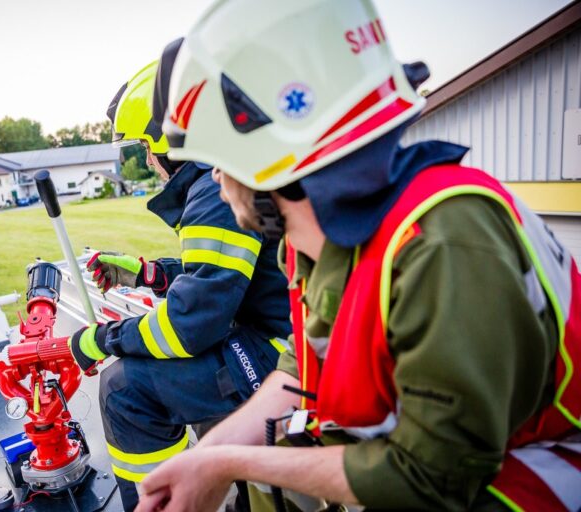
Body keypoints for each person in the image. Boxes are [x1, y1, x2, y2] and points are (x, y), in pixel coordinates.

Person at [135, 1, 581, 511]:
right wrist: (210, 453)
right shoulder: (320, 246)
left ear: (270, 158)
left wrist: (226, 465)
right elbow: (300, 379)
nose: (216, 179)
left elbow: (431, 479)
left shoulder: (442, 243)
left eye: (221, 160)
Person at [68, 60, 291, 511]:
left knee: (123, 389)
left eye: (146, 146)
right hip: (277, 332)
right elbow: (224, 276)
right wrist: (149, 273)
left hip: (280, 352)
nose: (148, 160)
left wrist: (100, 340)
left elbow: (190, 326)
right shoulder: (224, 173)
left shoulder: (213, 190)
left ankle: (163, 501)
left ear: (169, 136)